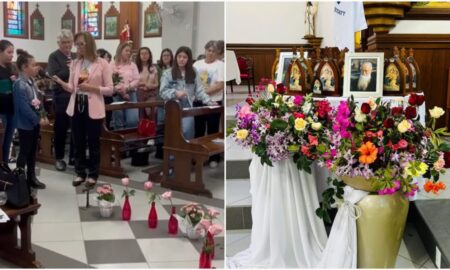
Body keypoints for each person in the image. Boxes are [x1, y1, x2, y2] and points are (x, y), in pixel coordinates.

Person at [52, 32, 113, 188]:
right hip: (76, 103)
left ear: (89, 44)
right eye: (76, 44)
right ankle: (80, 172)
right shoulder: (75, 63)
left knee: (93, 142)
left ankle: (93, 174)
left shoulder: (102, 63)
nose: (77, 47)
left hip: (93, 105)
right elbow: (73, 88)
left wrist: (92, 88)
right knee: (77, 141)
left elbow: (110, 89)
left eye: (81, 44)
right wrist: (61, 82)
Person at [160, 46, 215, 140]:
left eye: (184, 57)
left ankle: (186, 154)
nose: (181, 59)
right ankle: (174, 154)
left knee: (187, 132)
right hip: (172, 108)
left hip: (188, 107)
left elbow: (199, 90)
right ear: (176, 57)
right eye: (179, 56)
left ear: (188, 59)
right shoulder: (167, 73)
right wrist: (175, 93)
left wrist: (209, 101)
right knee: (173, 134)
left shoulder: (193, 72)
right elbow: (162, 92)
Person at [13, 49, 46, 189]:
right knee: (25, 151)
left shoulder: (31, 81)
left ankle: (31, 177)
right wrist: (37, 119)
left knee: (33, 150)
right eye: (33, 65)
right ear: (24, 67)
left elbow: (36, 101)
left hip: (33, 123)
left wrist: (42, 115)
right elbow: (23, 107)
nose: (36, 67)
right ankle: (19, 179)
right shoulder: (20, 84)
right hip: (25, 124)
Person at [47, 29, 76, 171]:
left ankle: (73, 157)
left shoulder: (77, 55)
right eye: (64, 42)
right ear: (59, 43)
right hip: (61, 97)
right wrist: (69, 68)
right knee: (61, 128)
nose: (67, 45)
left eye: (69, 42)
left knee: (76, 127)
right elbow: (53, 76)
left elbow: (83, 74)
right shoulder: (54, 56)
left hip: (76, 96)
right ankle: (59, 158)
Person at [193, 40, 224, 168]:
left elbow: (220, 84)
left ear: (217, 53)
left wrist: (203, 92)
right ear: (205, 51)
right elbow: (191, 82)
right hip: (198, 102)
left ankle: (214, 157)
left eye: (213, 51)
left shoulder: (220, 65)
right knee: (198, 130)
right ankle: (198, 156)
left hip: (213, 101)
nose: (211, 53)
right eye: (209, 50)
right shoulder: (197, 64)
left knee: (212, 130)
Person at [110, 42, 140, 129]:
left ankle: (130, 141)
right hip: (117, 95)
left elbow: (137, 79)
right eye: (126, 50)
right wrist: (120, 90)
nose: (129, 53)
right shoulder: (112, 65)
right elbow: (109, 80)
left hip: (131, 94)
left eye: (130, 51)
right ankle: (120, 141)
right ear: (120, 51)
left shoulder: (133, 65)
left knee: (132, 120)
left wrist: (127, 88)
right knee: (118, 121)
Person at [0, 40, 16, 172]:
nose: (12, 55)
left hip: (12, 109)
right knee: (1, 140)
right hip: (1, 111)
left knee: (8, 140)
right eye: (9, 52)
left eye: (13, 52)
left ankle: (4, 164)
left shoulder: (11, 67)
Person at [135, 47, 159, 118]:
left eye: (146, 53)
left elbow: (157, 83)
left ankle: (152, 128)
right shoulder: (135, 68)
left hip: (151, 93)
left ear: (149, 55)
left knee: (151, 112)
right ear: (139, 56)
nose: (144, 55)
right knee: (140, 115)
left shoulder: (153, 68)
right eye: (142, 53)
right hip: (139, 93)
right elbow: (134, 83)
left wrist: (151, 86)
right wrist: (144, 84)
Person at [96, 48, 113, 128]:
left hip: (108, 97)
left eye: (108, 57)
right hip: (98, 97)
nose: (108, 59)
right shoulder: (96, 68)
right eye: (106, 57)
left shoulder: (109, 68)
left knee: (107, 120)